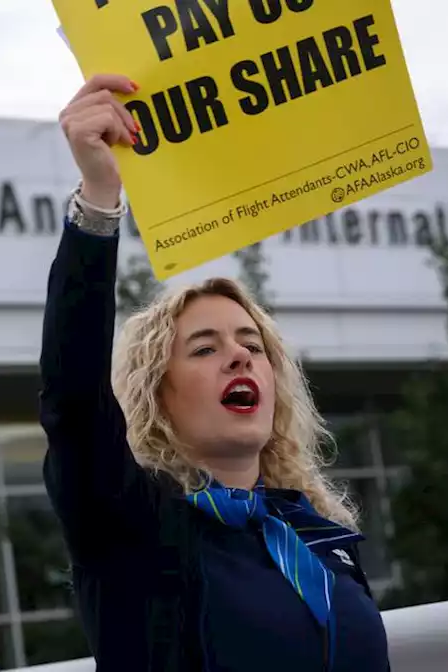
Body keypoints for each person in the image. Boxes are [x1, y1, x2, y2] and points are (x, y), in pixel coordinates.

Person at [42, 73, 390, 671]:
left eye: (251, 344)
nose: (239, 356)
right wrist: (99, 197)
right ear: (155, 395)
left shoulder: (315, 533)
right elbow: (73, 399)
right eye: (203, 349)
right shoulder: (132, 526)